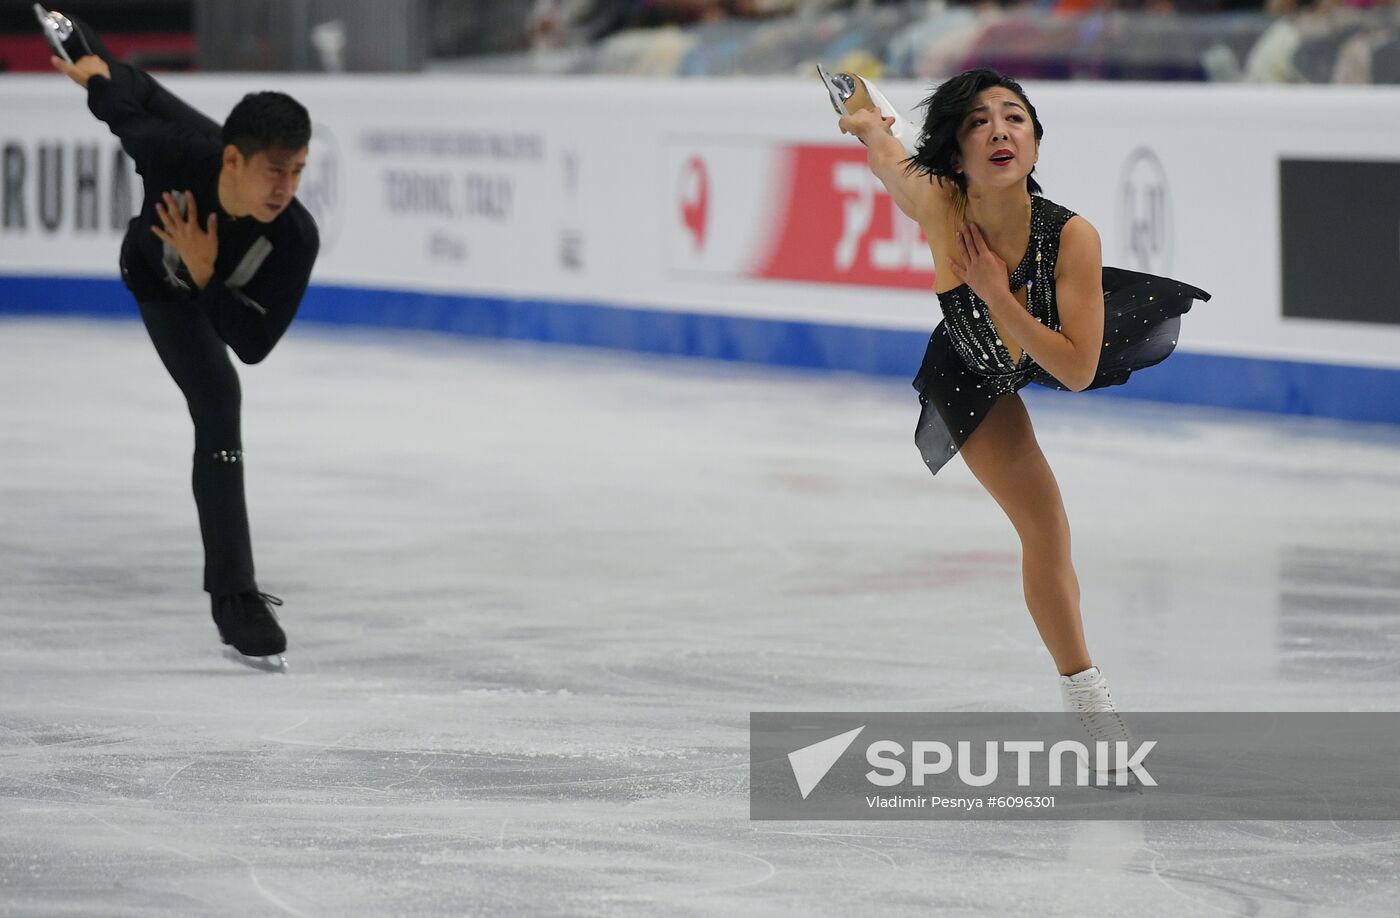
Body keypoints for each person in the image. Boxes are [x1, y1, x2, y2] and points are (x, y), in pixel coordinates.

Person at [835, 68, 1208, 726]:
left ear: (1035, 143)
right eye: (978, 121)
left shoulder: (1072, 238)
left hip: (1057, 338)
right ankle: (1090, 706)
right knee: (1043, 526)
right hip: (969, 369)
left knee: (1056, 522)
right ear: (956, 152)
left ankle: (1086, 704)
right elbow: (891, 162)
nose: (1000, 130)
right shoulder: (938, 204)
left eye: (1015, 117)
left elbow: (1074, 371)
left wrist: (997, 293)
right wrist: (868, 124)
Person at [40, 6, 319, 670]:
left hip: (206, 293)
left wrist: (207, 273)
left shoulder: (294, 239)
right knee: (217, 399)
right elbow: (123, 112)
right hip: (155, 279)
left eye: (299, 171)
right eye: (275, 170)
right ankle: (237, 597)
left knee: (223, 397)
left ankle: (234, 603)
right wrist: (92, 72)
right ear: (235, 159)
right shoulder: (177, 157)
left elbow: (253, 344)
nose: (286, 188)